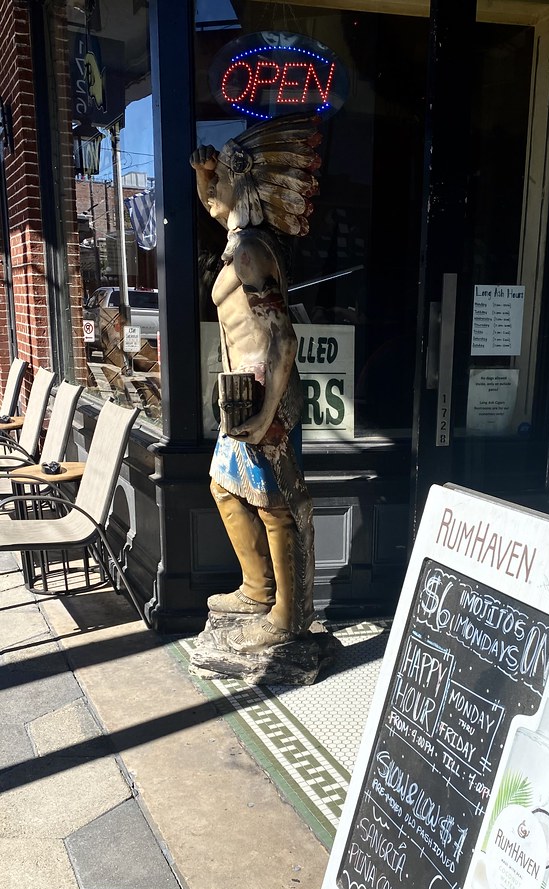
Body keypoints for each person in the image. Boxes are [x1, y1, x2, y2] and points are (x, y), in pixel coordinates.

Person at [189, 114, 322, 652]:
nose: (212, 190)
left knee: (275, 504)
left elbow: (284, 340)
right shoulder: (241, 243)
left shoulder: (249, 252)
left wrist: (268, 413)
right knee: (224, 485)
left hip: (265, 395)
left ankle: (287, 617)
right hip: (243, 396)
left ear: (243, 188)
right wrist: (205, 178)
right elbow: (213, 204)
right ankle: (257, 588)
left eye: (221, 179)